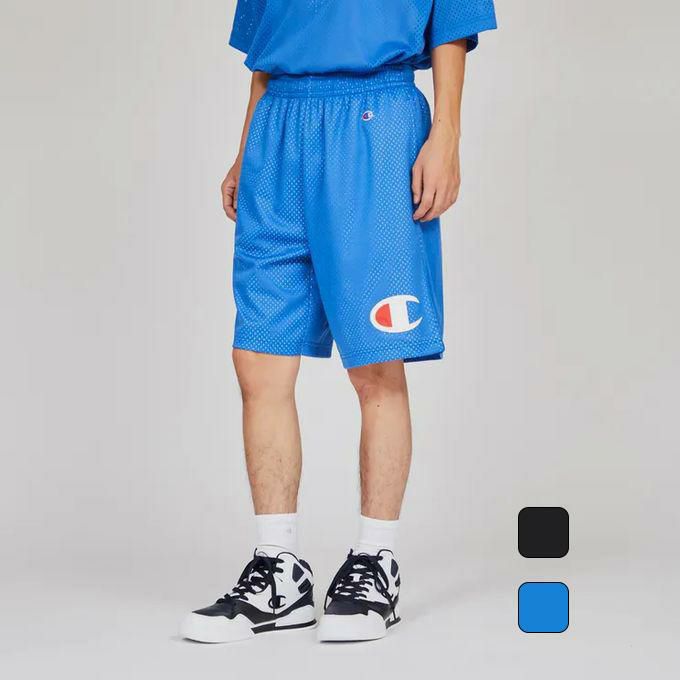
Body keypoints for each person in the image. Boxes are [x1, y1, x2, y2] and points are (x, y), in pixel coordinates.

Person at [181, 0, 497, 644]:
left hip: (374, 120)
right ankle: (278, 570)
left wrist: (446, 136)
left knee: (375, 363)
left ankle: (375, 562)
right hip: (278, 130)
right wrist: (246, 151)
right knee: (258, 359)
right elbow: (264, 53)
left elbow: (453, 25)